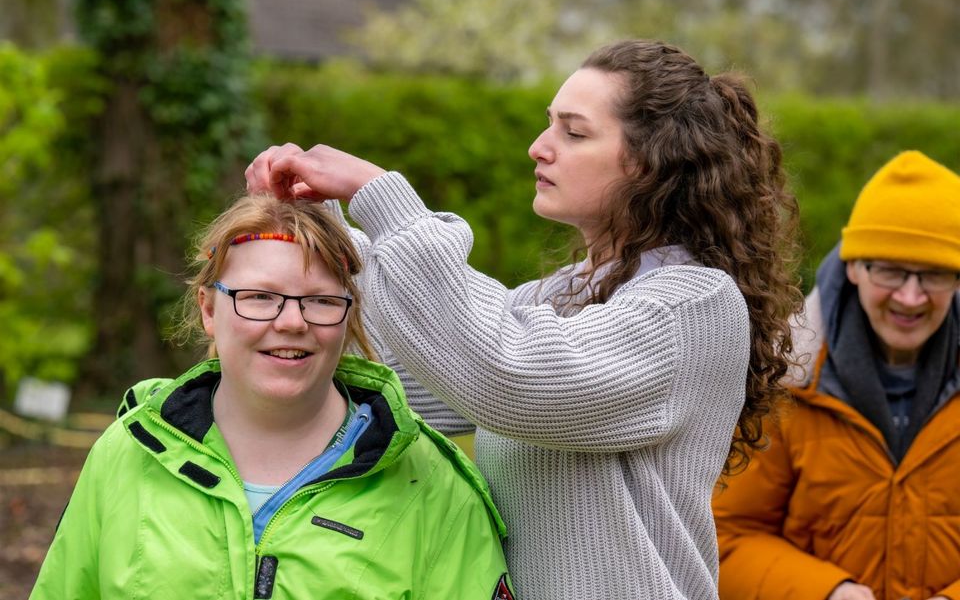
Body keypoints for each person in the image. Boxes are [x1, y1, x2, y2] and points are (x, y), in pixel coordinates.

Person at [245, 39, 802, 599]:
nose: (539, 148)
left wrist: (380, 196)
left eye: (574, 132)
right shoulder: (558, 297)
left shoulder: (692, 306)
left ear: (652, 161)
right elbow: (407, 368)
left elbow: (504, 373)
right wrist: (322, 232)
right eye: (548, 126)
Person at [30, 195, 514, 599]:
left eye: (321, 300)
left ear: (349, 316)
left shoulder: (431, 483)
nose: (291, 322)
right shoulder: (127, 452)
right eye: (260, 297)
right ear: (209, 309)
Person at [713, 151, 960, 600]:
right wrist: (826, 593)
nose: (910, 296)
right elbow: (725, 536)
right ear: (853, 266)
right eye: (888, 270)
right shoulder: (784, 381)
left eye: (934, 275)